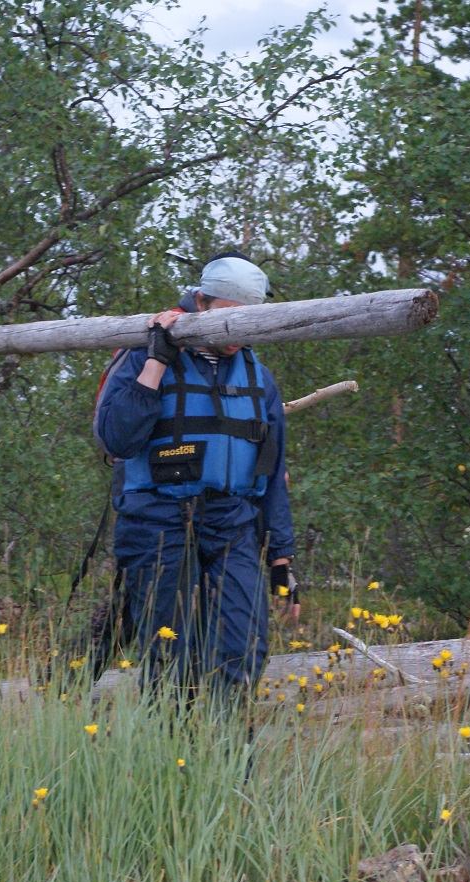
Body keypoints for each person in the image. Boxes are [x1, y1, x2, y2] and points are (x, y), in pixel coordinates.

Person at [93, 251, 297, 708]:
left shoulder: (258, 378)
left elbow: (271, 468)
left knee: (243, 648)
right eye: (229, 319)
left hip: (231, 523)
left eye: (249, 323)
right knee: (171, 658)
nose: (236, 334)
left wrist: (281, 555)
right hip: (157, 522)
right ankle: (171, 764)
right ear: (201, 302)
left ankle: (226, 765)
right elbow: (116, 439)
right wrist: (156, 363)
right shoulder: (141, 354)